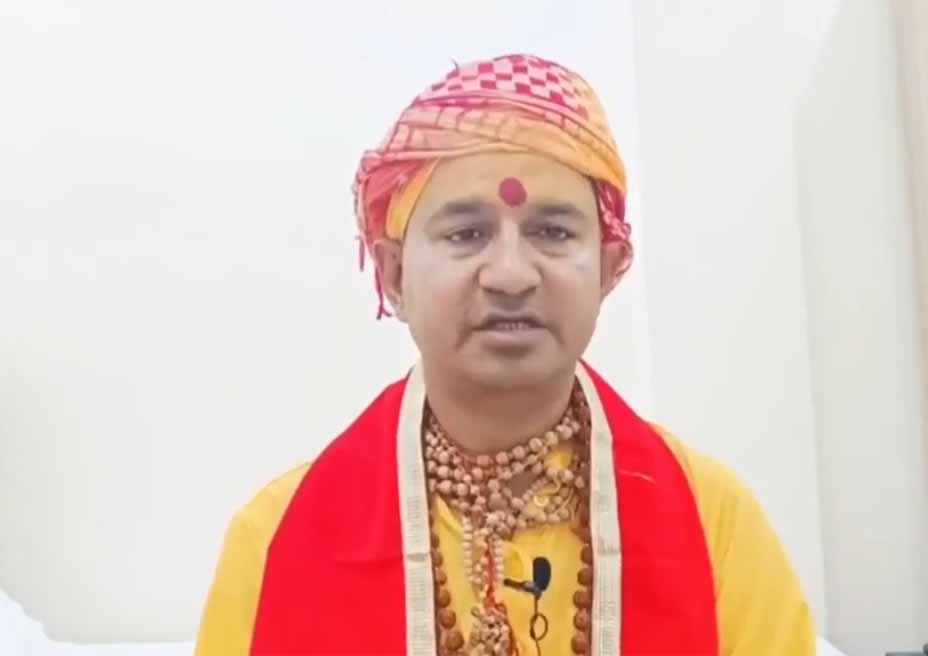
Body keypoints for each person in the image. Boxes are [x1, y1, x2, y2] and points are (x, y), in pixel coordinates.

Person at [194, 53, 815, 655]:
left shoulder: (714, 524)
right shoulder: (275, 538)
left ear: (609, 269)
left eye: (553, 232)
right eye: (467, 234)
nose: (511, 275)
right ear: (393, 275)